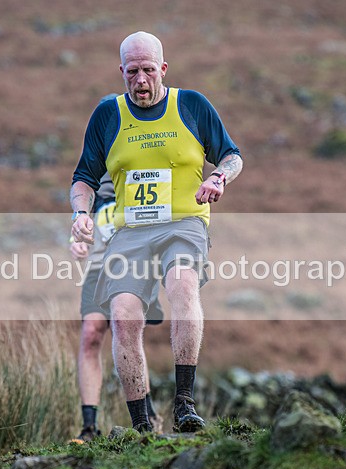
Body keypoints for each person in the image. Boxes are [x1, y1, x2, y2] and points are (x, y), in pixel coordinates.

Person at [69, 31, 243, 433]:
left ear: (163, 68)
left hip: (184, 222)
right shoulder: (107, 115)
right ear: (121, 72)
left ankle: (184, 403)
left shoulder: (192, 105)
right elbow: (83, 178)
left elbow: (232, 156)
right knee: (123, 315)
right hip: (132, 231)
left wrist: (219, 178)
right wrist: (80, 212)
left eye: (149, 70)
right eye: (133, 72)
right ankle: (143, 428)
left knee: (182, 284)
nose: (141, 81)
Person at [69, 163, 165, 442]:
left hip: (133, 265)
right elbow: (79, 224)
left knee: (127, 334)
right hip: (97, 270)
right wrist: (76, 242)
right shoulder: (91, 183)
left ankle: (148, 419)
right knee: (90, 334)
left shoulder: (145, 170)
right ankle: (89, 427)